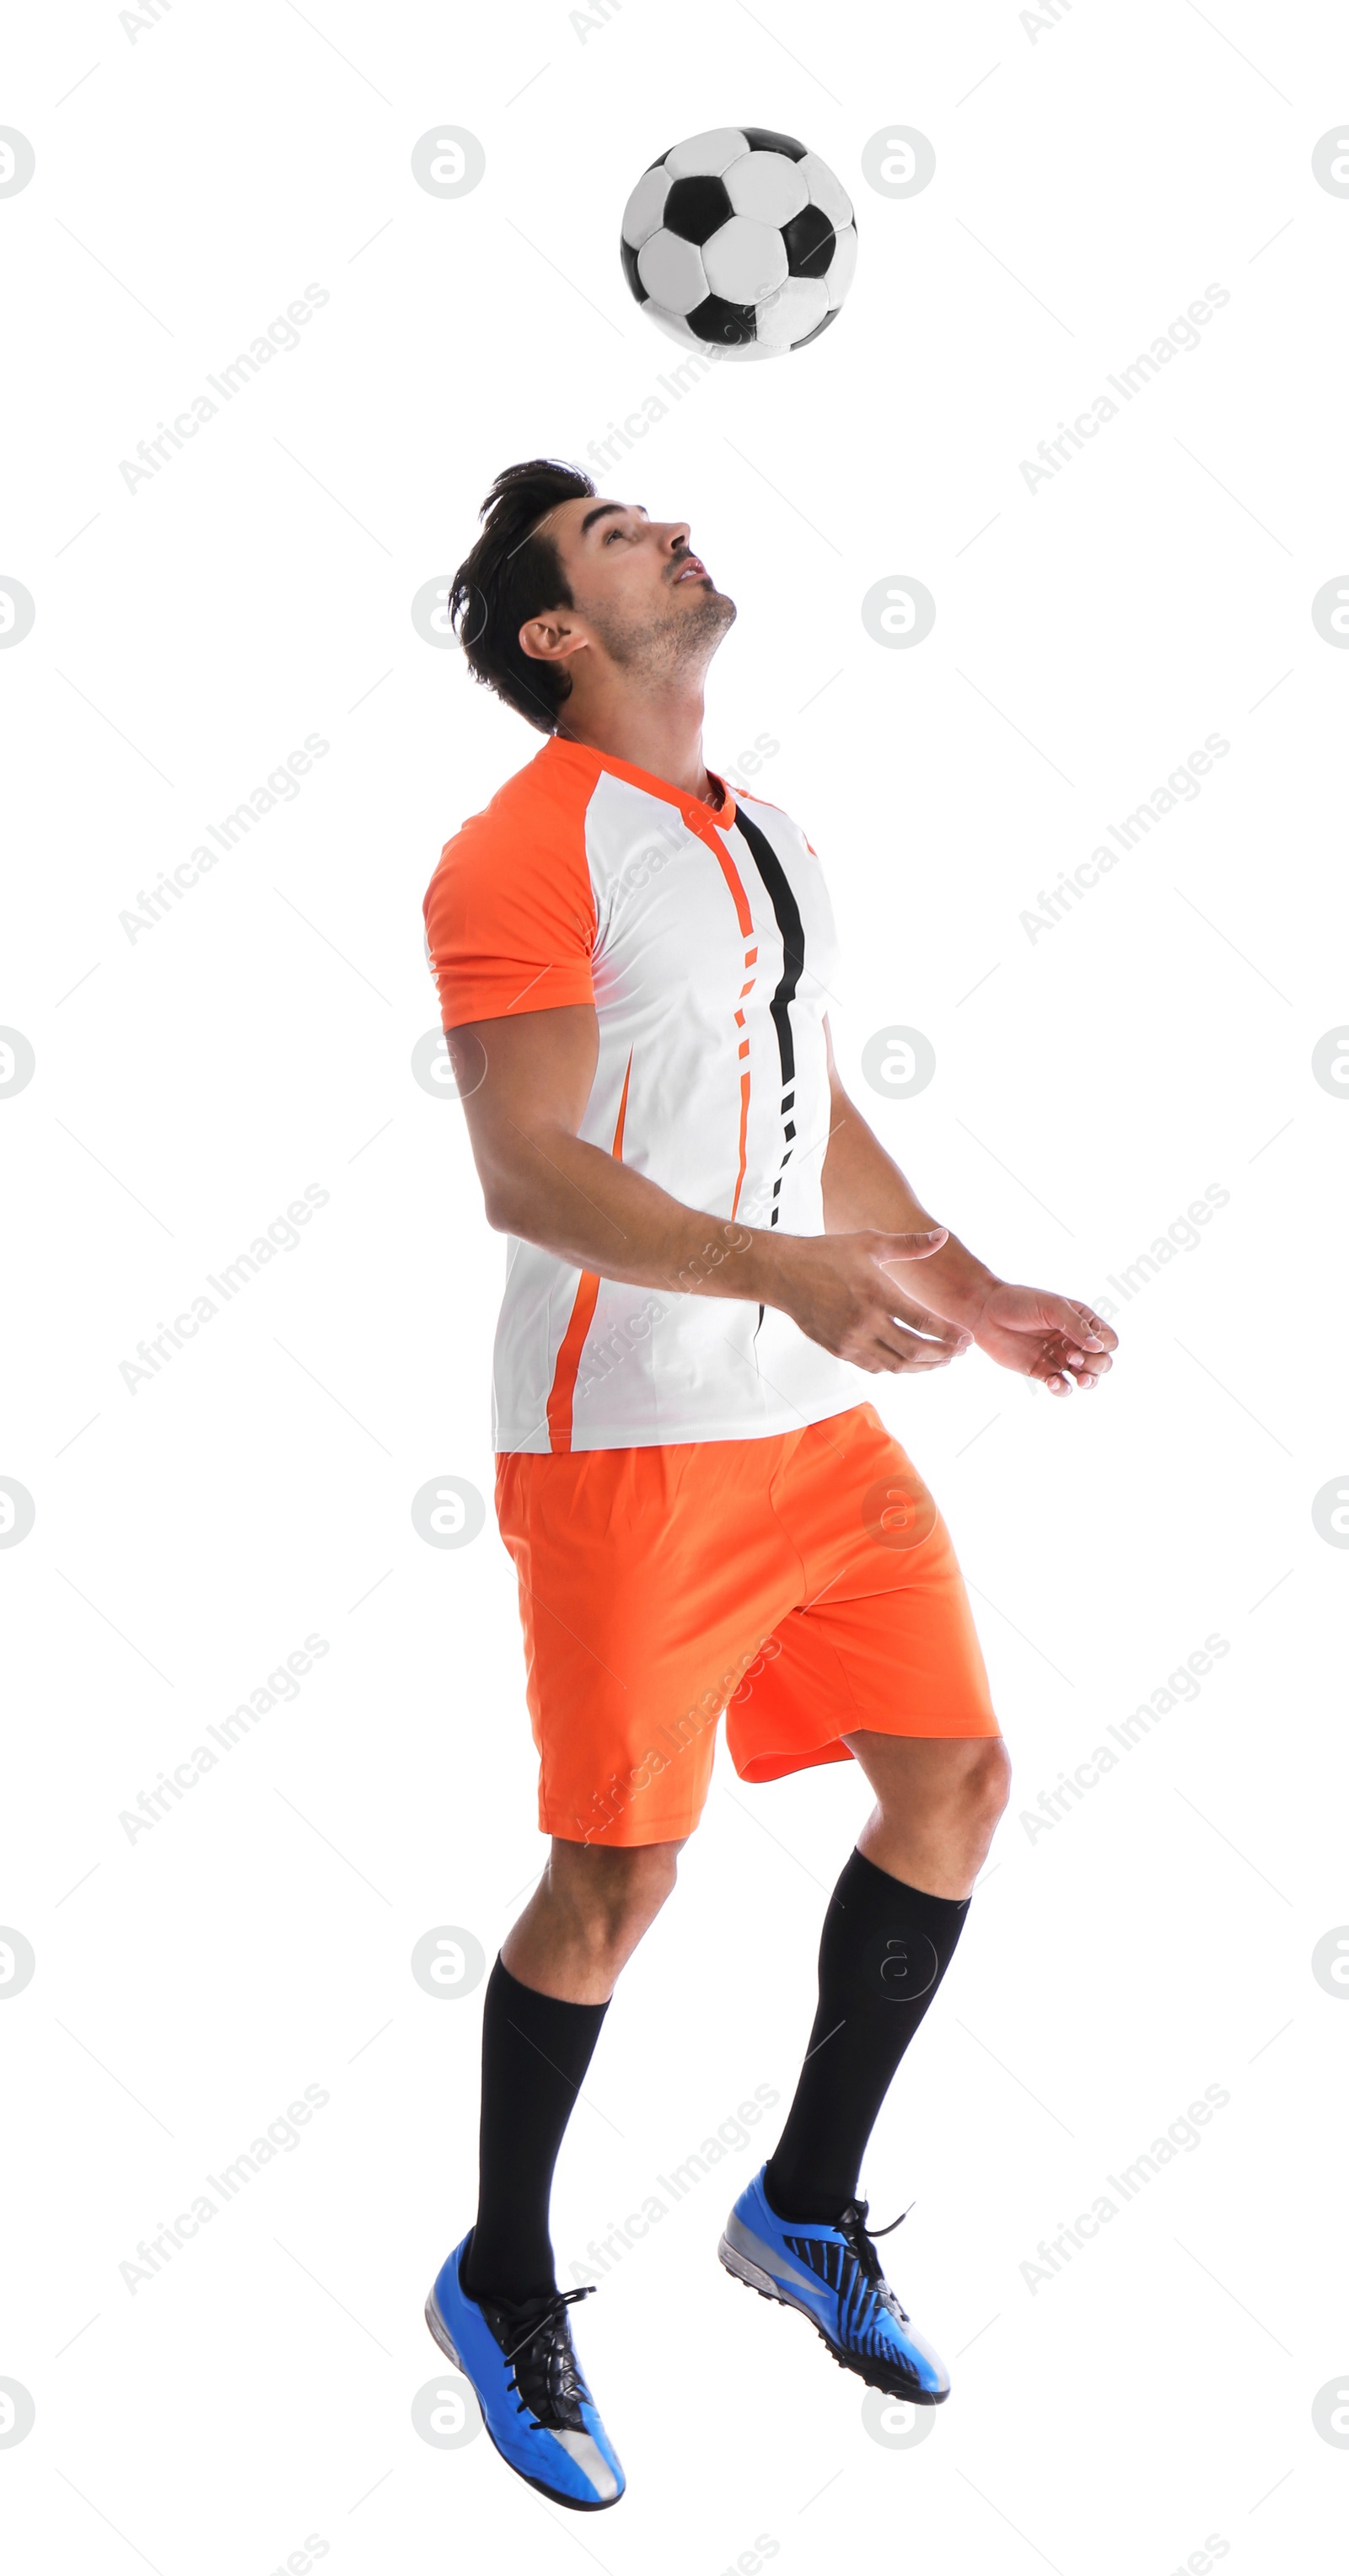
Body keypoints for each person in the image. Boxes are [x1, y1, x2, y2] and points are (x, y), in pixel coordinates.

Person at [421, 459, 1116, 2510]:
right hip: (624, 1440)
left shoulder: (762, 834)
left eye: (654, 514)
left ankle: (801, 2206)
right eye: (612, 538)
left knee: (957, 1782)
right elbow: (523, 1169)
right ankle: (499, 2268)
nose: (667, 531)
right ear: (552, 634)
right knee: (615, 1885)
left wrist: (959, 1288)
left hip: (806, 1428)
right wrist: (785, 1286)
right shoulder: (514, 854)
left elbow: (796, 1114)